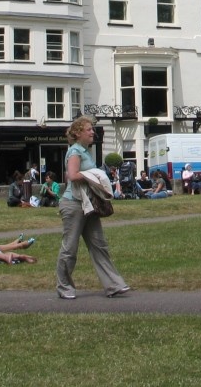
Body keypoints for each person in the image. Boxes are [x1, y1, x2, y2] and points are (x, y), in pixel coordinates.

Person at [57, 116, 130, 299]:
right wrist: (94, 175)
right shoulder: (75, 151)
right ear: (78, 133)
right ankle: (64, 286)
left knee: (99, 245)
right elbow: (72, 176)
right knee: (70, 247)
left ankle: (113, 285)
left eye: (92, 129)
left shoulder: (86, 151)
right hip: (74, 204)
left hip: (89, 204)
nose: (92, 132)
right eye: (89, 129)